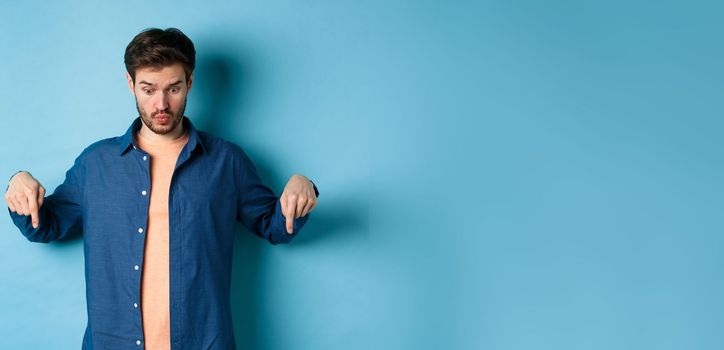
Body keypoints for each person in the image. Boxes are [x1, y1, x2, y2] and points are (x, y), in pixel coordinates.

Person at [4, 27, 319, 350]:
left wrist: (301, 188)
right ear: (130, 84)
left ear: (190, 83)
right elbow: (44, 227)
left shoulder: (226, 162)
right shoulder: (95, 164)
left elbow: (275, 227)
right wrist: (18, 183)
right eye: (148, 89)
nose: (161, 104)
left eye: (173, 88)